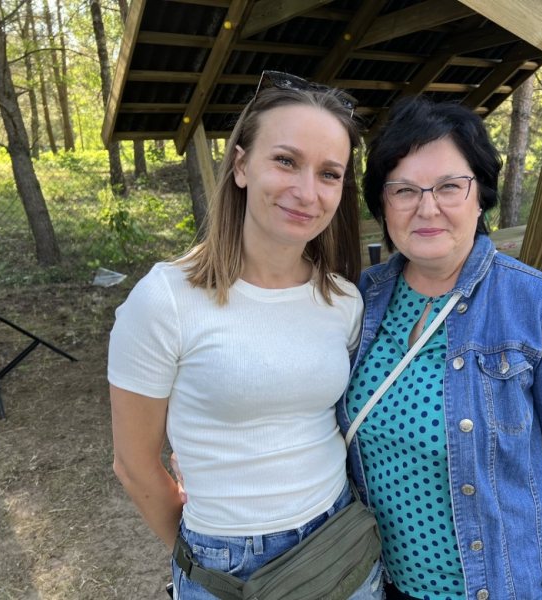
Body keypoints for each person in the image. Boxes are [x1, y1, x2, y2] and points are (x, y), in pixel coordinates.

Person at [108, 71, 382, 599]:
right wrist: (202, 560)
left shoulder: (343, 301)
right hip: (225, 565)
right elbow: (135, 464)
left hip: (340, 546)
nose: (307, 192)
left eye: (329, 173)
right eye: (286, 161)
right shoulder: (165, 299)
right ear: (240, 166)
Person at [338, 96, 542, 600]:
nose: (427, 207)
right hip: (381, 583)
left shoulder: (541, 308)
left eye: (449, 186)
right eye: (404, 189)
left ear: (481, 195)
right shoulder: (360, 299)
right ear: (382, 204)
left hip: (498, 587)